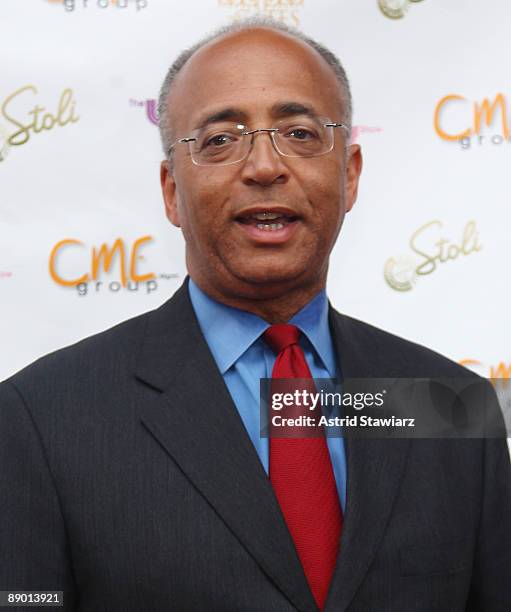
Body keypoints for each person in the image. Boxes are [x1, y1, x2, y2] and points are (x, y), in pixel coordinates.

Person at [1, 17, 510, 612]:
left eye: (299, 133)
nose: (265, 167)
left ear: (349, 175)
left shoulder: (449, 403)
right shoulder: (42, 420)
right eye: (220, 140)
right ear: (170, 191)